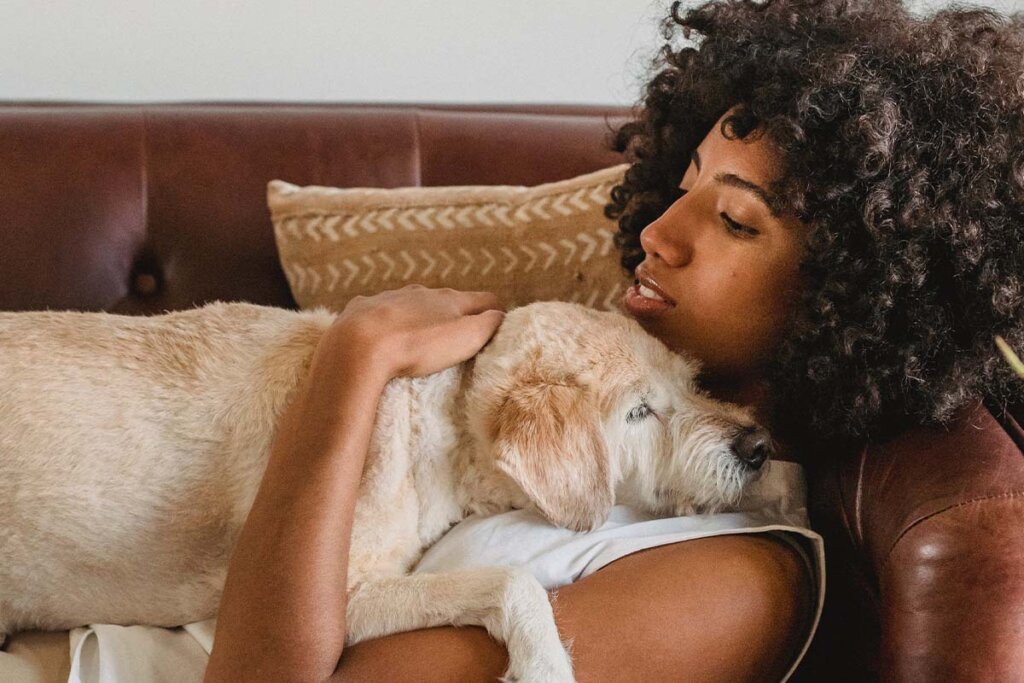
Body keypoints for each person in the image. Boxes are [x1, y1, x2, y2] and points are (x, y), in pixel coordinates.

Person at [203, 0, 1024, 680]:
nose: (660, 232)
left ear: (849, 291)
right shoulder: (587, 402)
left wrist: (357, 356)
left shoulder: (734, 581)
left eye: (736, 221)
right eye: (685, 181)